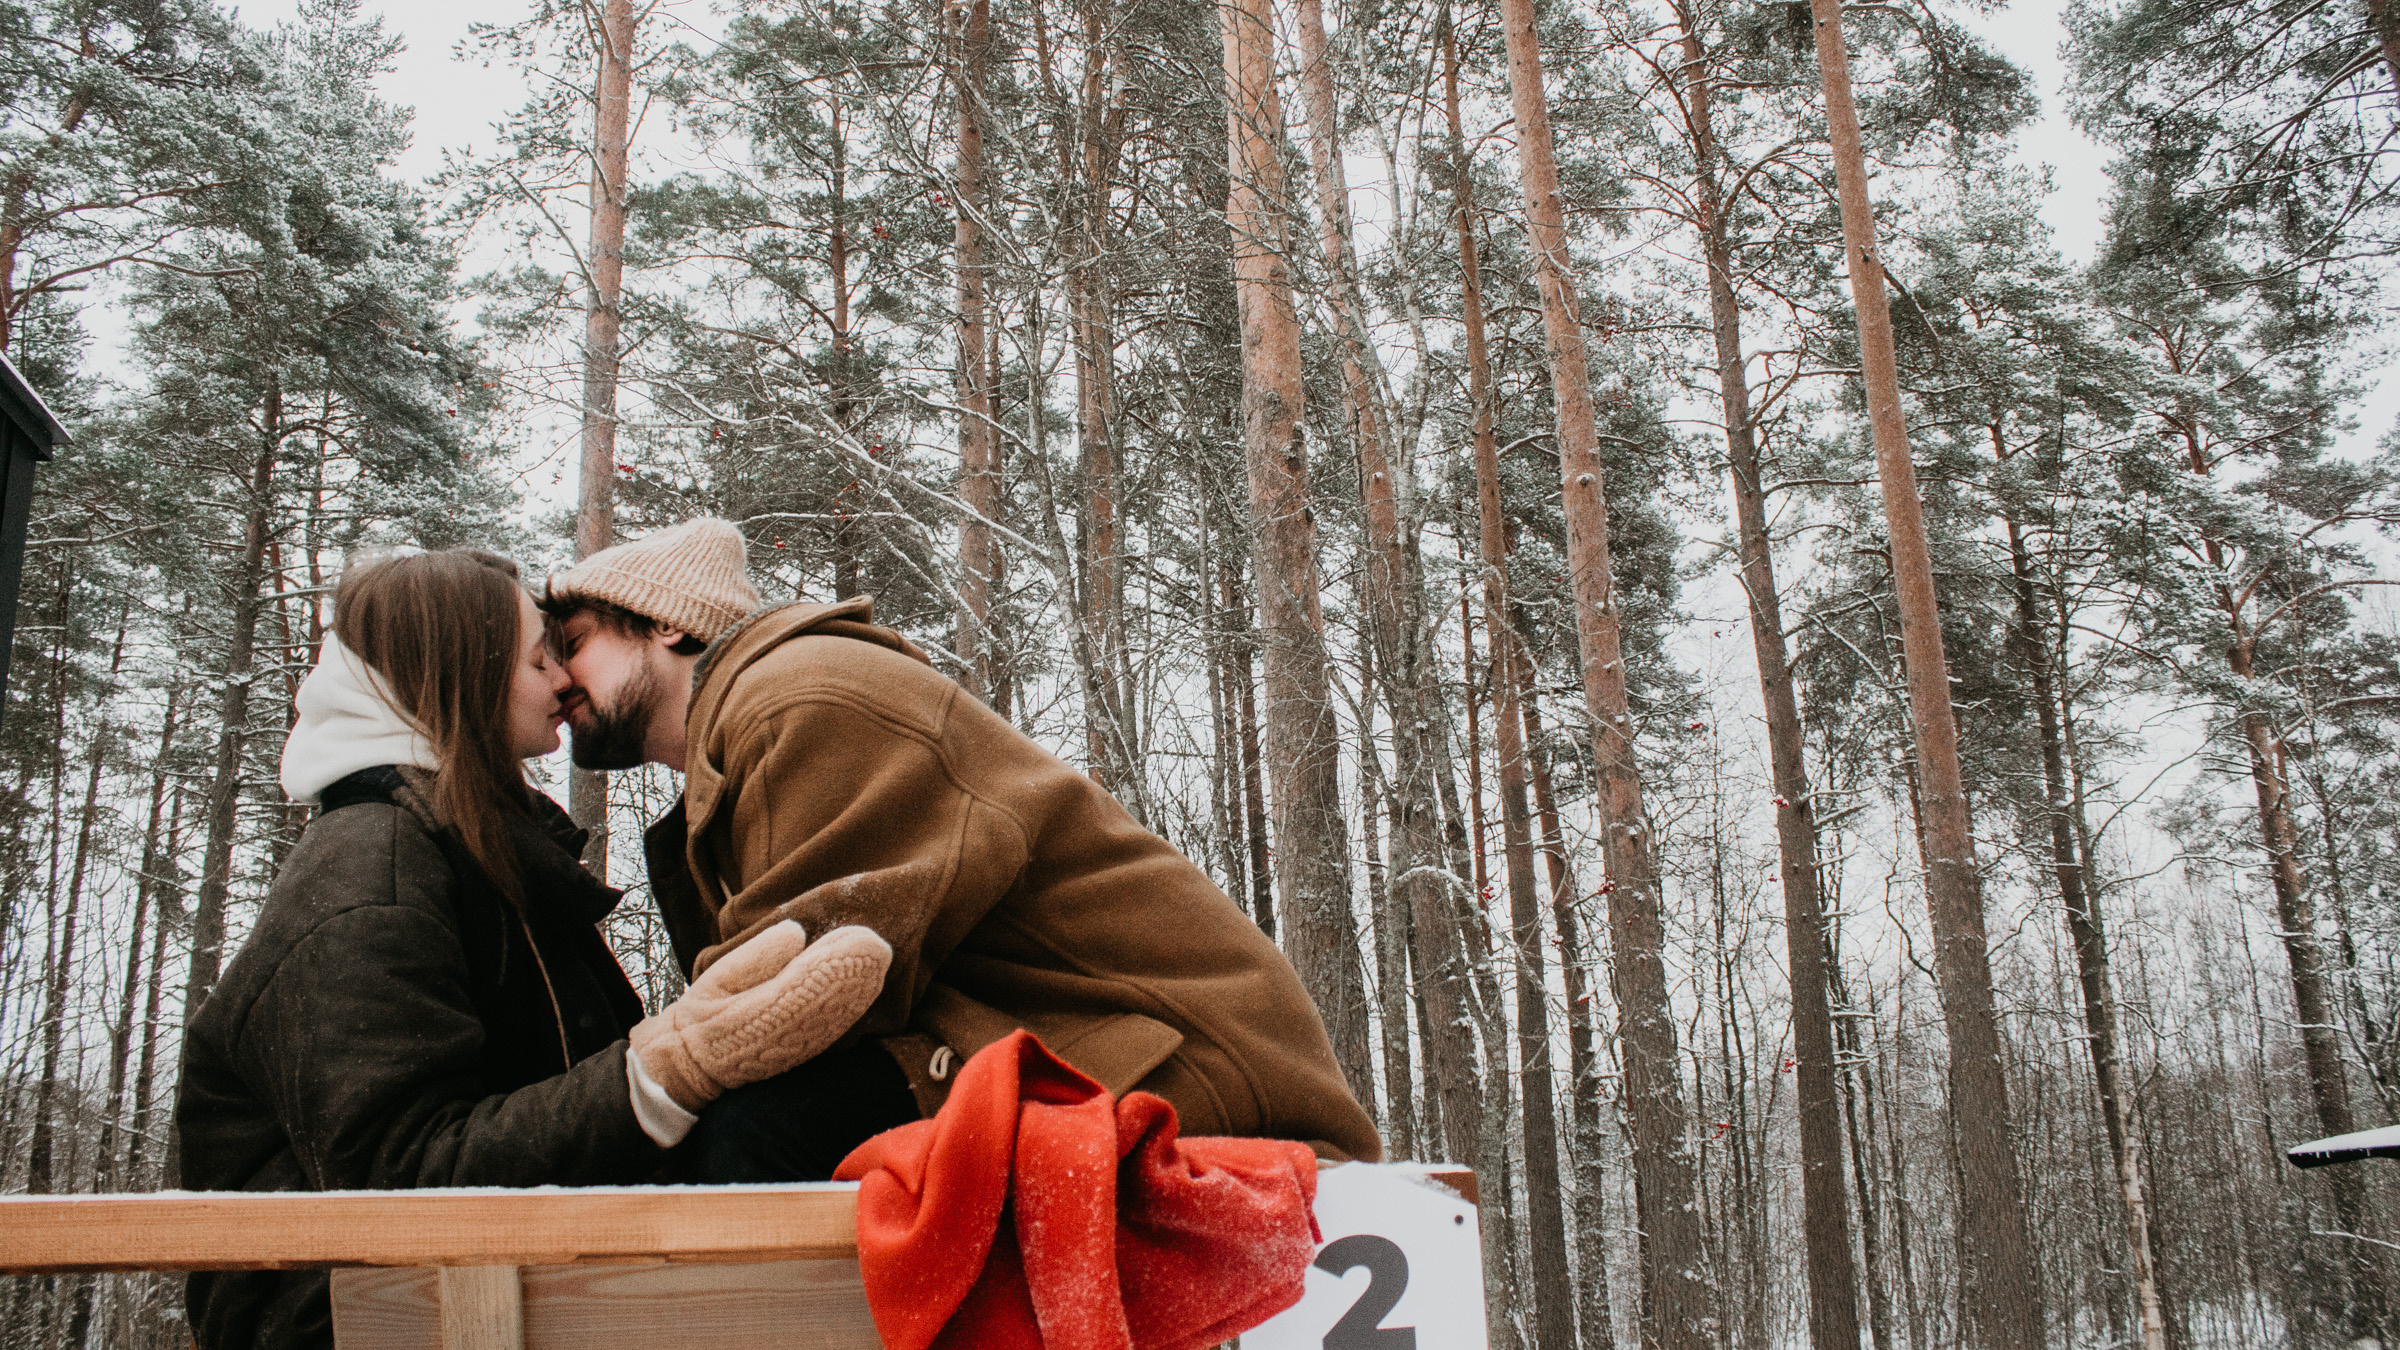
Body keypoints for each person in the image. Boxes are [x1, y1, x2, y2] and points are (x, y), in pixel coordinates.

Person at [174, 548, 891, 1350]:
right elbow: (401, 1179)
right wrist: (660, 1072)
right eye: (537, 657)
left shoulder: (473, 851)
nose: (561, 681)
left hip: (492, 1282)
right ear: (459, 672)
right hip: (352, 1319)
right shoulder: (370, 872)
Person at [541, 518, 1382, 1183]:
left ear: (667, 627)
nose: (556, 678)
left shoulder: (801, 696)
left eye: (573, 642)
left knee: (754, 1135)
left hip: (1182, 1061)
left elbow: (813, 995)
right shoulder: (750, 729)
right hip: (1059, 1043)